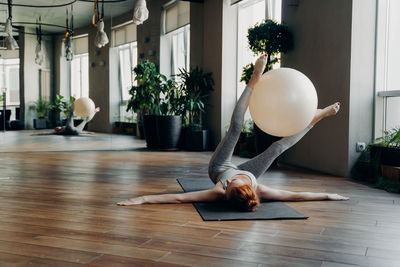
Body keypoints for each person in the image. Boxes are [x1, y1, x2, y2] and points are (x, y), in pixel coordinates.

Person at [117, 54, 349, 211]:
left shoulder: (219, 188)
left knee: (235, 129)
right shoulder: (260, 188)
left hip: (219, 168)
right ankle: (315, 118)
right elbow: (295, 196)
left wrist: (142, 199)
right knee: (277, 147)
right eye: (232, 186)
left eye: (227, 188)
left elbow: (179, 197)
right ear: (246, 187)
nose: (228, 186)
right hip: (249, 172)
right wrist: (329, 196)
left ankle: (253, 80)